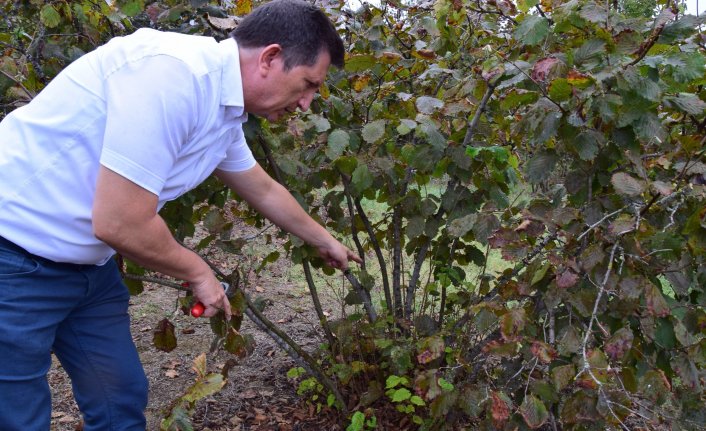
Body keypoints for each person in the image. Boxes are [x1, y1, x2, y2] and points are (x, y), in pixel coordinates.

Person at [0, 0, 361, 429]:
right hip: (14, 259)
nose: (305, 104)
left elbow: (262, 187)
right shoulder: (172, 76)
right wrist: (198, 271)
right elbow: (120, 221)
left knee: (120, 397)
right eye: (307, 85)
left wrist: (324, 239)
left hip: (87, 270)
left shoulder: (222, 108)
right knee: (18, 415)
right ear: (270, 58)